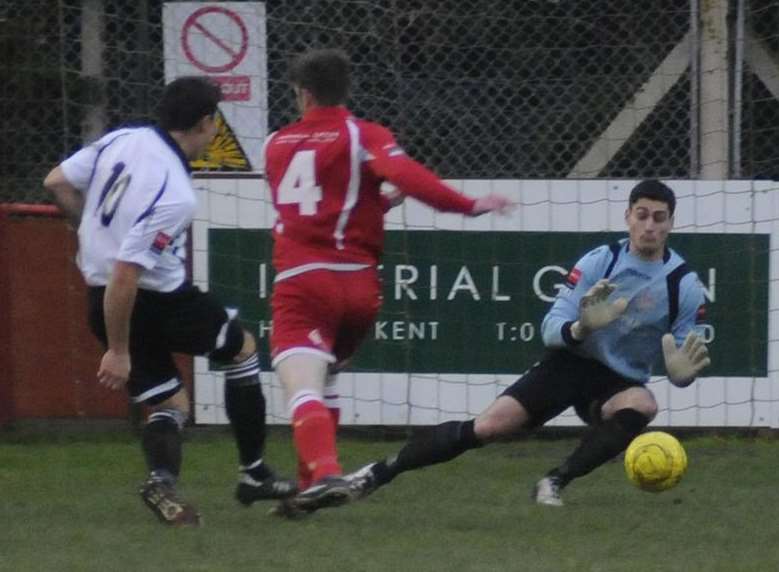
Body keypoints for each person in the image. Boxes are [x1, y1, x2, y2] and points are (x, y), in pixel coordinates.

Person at [346, 179, 711, 507]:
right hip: (569, 363)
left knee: (643, 404)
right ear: (627, 216)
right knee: (487, 427)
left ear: (671, 223)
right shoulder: (600, 262)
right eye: (642, 215)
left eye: (659, 218)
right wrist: (581, 327)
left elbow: (680, 356)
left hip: (618, 382)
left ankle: (553, 481)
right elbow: (550, 327)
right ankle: (379, 472)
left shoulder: (683, 284)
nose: (649, 226)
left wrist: (681, 376)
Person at [262, 48, 512, 514]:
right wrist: (468, 204)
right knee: (328, 374)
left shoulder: (275, 144)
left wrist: (378, 200)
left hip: (303, 282)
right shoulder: (363, 134)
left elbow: (309, 209)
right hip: (360, 291)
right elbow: (403, 176)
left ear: (303, 93)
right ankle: (304, 492)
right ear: (347, 89)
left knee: (302, 389)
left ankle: (327, 473)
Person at [43, 76, 295, 527]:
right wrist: (118, 352)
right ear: (204, 123)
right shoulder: (176, 193)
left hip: (101, 298)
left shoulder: (123, 137)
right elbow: (128, 271)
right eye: (215, 122)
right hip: (160, 300)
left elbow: (57, 181)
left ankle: (162, 482)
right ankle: (254, 473)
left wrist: (87, 229)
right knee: (242, 352)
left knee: (169, 405)